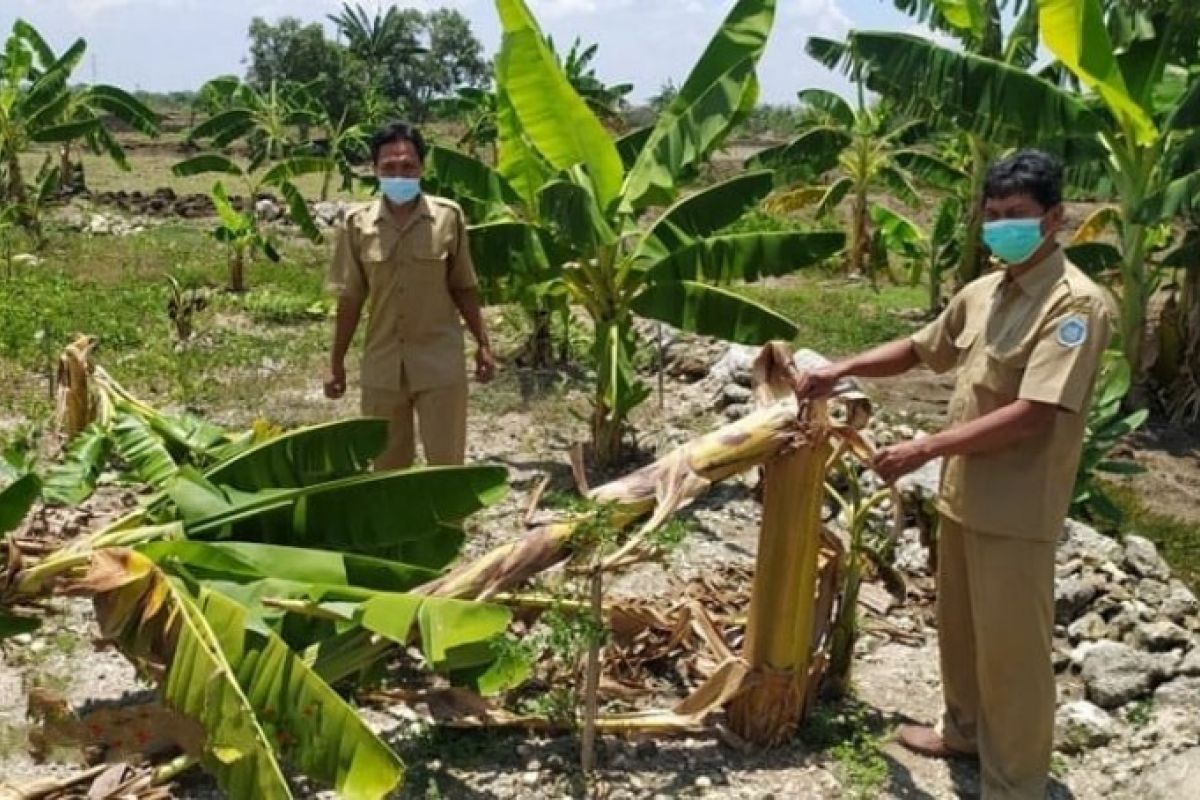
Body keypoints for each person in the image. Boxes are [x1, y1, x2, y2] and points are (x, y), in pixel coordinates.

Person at [791, 150, 1112, 800]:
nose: (1001, 227)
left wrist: (927, 447)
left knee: (1013, 655)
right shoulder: (985, 290)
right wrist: (838, 369)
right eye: (992, 215)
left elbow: (1034, 415)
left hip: (1017, 510)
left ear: (1054, 219)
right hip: (964, 497)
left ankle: (1015, 785)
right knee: (960, 633)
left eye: (1015, 216)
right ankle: (963, 732)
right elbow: (920, 349)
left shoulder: (1074, 306)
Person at [324, 122, 496, 469]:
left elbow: (463, 286)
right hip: (382, 366)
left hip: (440, 364)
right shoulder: (357, 224)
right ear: (375, 170)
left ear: (422, 168)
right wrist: (336, 363)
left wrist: (484, 344)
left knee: (446, 466)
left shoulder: (448, 218)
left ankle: (450, 525)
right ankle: (397, 526)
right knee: (387, 469)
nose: (399, 174)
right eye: (389, 167)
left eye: (408, 166)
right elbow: (351, 299)